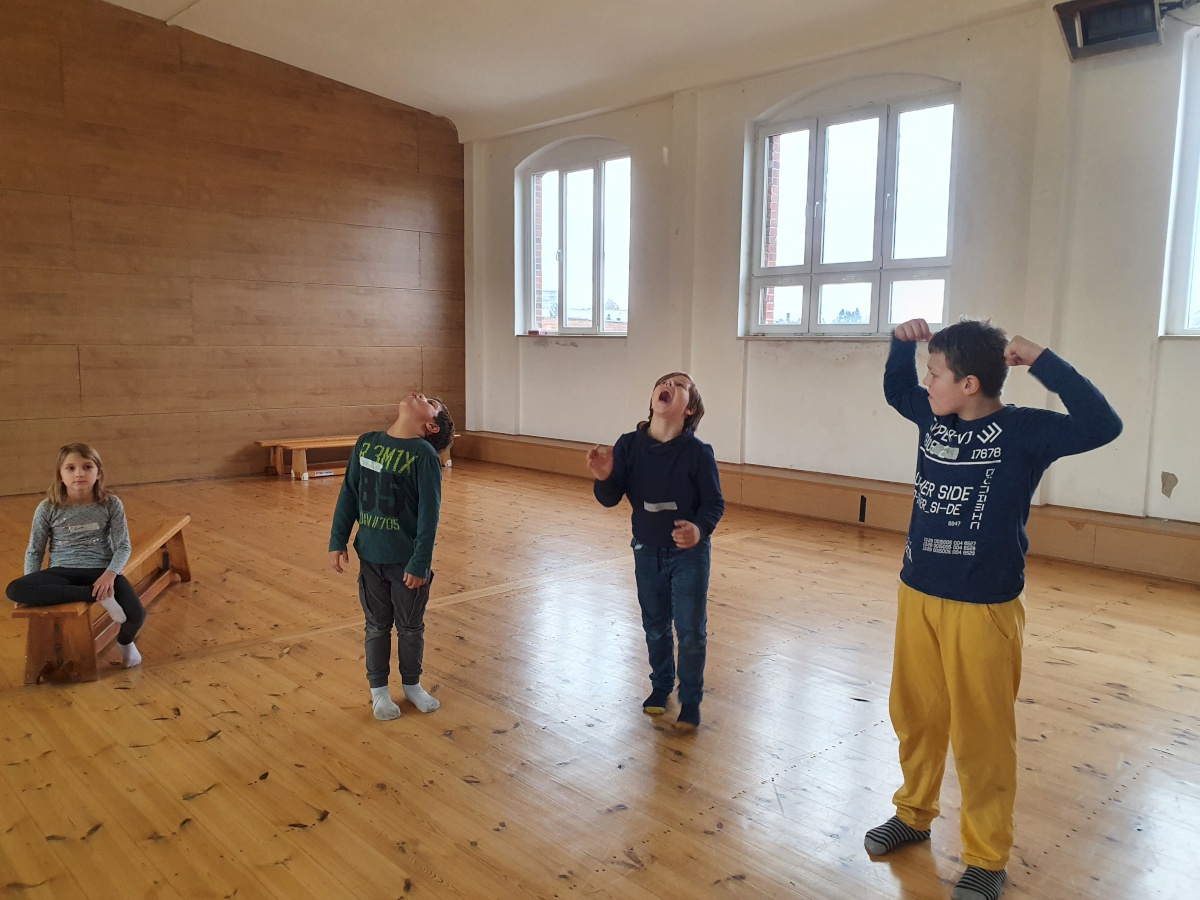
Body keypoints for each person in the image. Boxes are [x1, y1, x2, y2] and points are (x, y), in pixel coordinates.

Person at [865, 318, 1122, 900]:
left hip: (983, 608)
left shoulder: (1025, 431)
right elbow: (896, 390)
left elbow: (1103, 424)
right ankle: (913, 814)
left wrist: (1044, 361)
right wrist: (901, 346)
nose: (926, 384)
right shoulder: (934, 415)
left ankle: (986, 856)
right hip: (918, 592)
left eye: (935, 374)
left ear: (970, 384)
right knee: (916, 715)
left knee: (981, 734)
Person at [587, 372, 724, 732]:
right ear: (652, 400)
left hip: (689, 555)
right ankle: (661, 686)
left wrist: (698, 530)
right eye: (665, 382)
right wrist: (603, 476)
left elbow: (714, 504)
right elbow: (609, 498)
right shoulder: (628, 445)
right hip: (646, 551)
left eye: (681, 386)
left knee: (690, 630)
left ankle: (690, 699)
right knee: (655, 626)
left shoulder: (698, 453)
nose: (670, 386)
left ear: (689, 409)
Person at [329, 393, 454, 721]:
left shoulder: (423, 455)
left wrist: (420, 562)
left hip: (407, 563)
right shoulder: (366, 443)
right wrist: (338, 539)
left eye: (431, 403)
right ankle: (379, 692)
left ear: (430, 426)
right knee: (376, 626)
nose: (421, 395)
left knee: (410, 628)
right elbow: (349, 493)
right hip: (370, 558)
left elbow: (429, 515)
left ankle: (412, 685)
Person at [6, 443, 146, 668]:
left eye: (87, 467)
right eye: (70, 468)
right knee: (15, 590)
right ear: (60, 475)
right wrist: (31, 581)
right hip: (62, 571)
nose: (79, 473)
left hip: (101, 570)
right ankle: (96, 595)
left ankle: (126, 644)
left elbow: (123, 546)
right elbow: (35, 549)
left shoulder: (110, 504)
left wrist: (110, 575)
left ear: (98, 473)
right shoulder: (48, 507)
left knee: (137, 615)